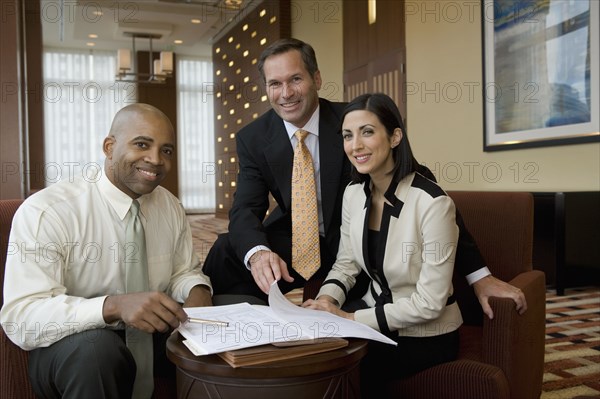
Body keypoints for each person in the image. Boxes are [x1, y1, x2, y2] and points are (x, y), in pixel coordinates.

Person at [202, 37, 527, 318]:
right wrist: (258, 253)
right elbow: (245, 208)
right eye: (275, 84)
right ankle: (251, 332)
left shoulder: (355, 121)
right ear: (266, 89)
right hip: (297, 238)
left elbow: (425, 186)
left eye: (295, 79)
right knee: (228, 250)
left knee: (364, 303)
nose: (286, 93)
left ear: (316, 78)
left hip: (354, 241)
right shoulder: (253, 138)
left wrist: (478, 274)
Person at [0, 104, 213, 399]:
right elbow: (22, 317)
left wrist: (198, 289)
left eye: (166, 151)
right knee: (96, 352)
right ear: (109, 147)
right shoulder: (48, 212)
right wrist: (111, 307)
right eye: (142, 144)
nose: (155, 160)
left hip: (151, 337)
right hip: (73, 350)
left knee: (235, 309)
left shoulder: (170, 206)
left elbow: (182, 272)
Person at [303, 93, 461, 395]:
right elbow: (346, 262)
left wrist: (349, 318)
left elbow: (429, 303)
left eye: (368, 132)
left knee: (342, 364)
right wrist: (327, 301)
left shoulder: (433, 203)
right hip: (371, 309)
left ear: (395, 137)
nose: (355, 146)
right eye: (348, 136)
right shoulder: (353, 193)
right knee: (311, 343)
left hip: (425, 334)